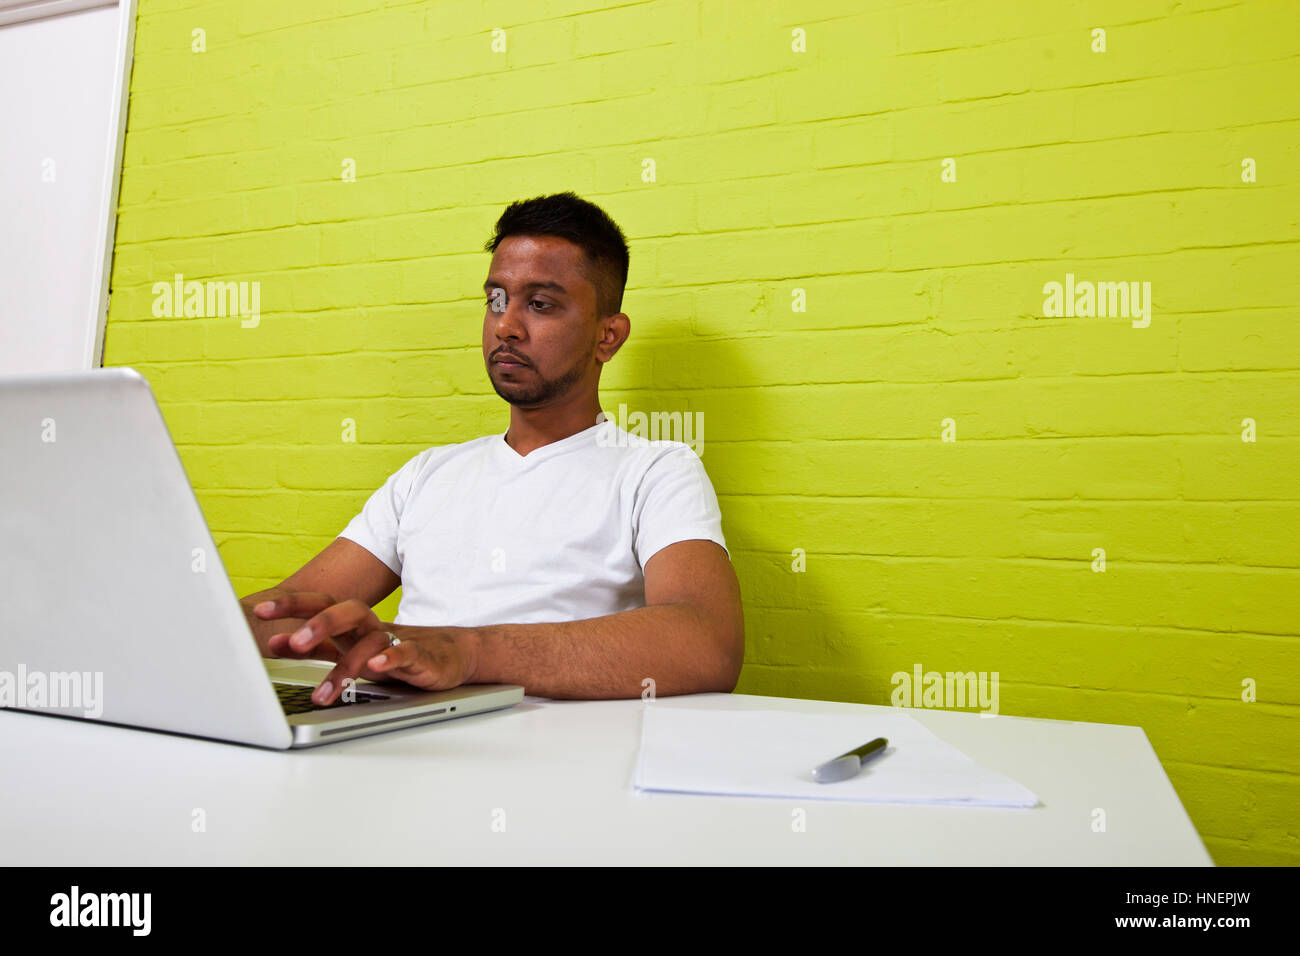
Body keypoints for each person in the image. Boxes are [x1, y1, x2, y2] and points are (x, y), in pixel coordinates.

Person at [240, 191, 743, 703]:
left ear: (607, 337)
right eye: (496, 300)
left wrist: (468, 653)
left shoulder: (655, 472)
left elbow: (707, 643)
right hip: (392, 742)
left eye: (541, 304)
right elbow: (283, 613)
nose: (506, 326)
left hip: (550, 761)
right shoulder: (428, 474)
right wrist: (193, 622)